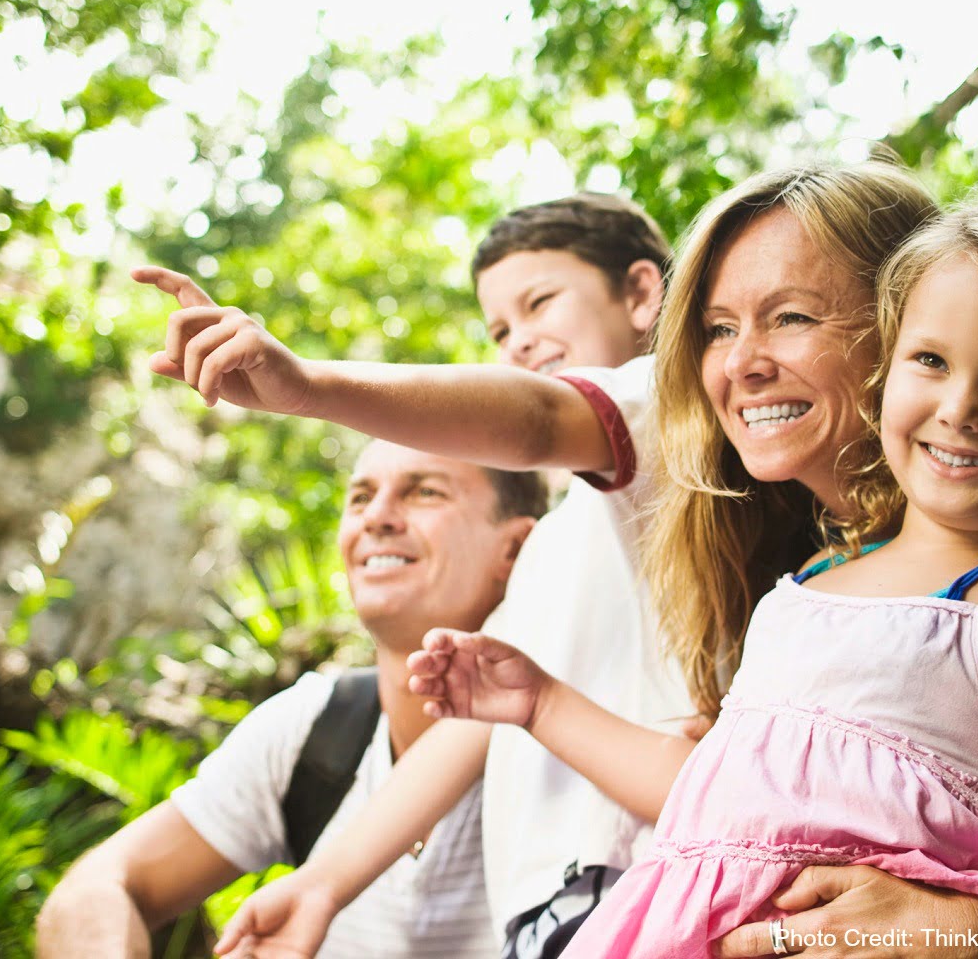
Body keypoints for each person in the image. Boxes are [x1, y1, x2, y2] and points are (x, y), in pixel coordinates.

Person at [140, 166, 978, 959]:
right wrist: (538, 703)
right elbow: (722, 796)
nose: (958, 405)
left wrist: (977, 929)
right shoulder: (810, 582)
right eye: (720, 327)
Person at [139, 193, 688, 959]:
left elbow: (536, 417)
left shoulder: (676, 413)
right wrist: (324, 882)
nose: (522, 341)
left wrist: (309, 388)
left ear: (639, 293)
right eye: (500, 329)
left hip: (645, 894)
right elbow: (473, 724)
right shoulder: (561, 540)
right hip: (548, 925)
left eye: (540, 304)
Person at [34, 440, 547, 959]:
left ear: (517, 548)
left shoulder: (571, 741)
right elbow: (95, 888)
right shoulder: (318, 729)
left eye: (426, 492)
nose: (377, 517)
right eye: (360, 497)